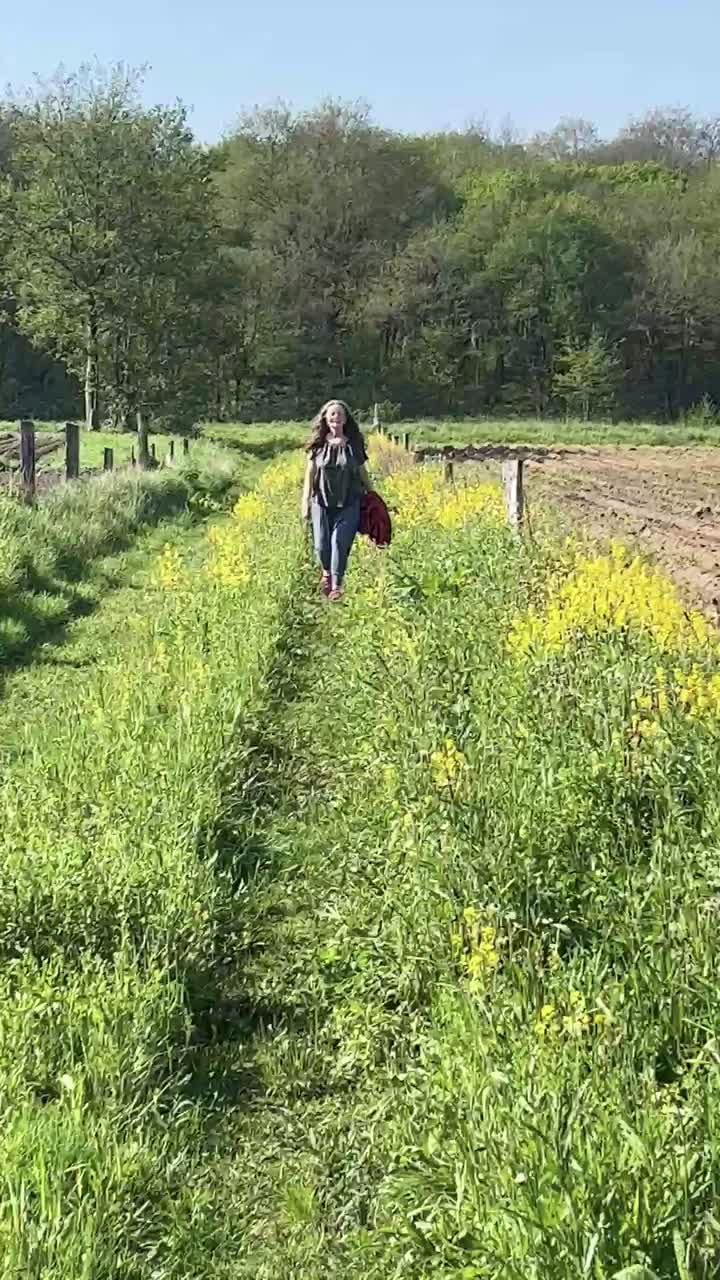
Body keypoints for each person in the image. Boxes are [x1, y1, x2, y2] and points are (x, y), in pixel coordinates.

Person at [301, 399, 371, 600]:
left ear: (345, 419)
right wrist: (305, 502)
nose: (336, 418)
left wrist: (374, 496)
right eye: (332, 414)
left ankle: (337, 586)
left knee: (339, 542)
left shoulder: (353, 446)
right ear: (325, 418)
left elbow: (362, 473)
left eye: (340, 414)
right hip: (321, 502)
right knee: (322, 545)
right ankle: (326, 573)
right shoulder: (317, 446)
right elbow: (310, 475)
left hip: (349, 502)